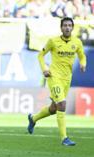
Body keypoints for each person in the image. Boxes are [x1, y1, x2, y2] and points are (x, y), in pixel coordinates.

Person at [27, 17, 87, 146]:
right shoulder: (53, 41)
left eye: (69, 25)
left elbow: (82, 55)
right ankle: (64, 138)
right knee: (62, 104)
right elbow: (40, 55)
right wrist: (44, 69)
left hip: (67, 79)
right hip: (54, 76)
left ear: (72, 27)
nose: (67, 27)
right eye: (65, 25)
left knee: (54, 108)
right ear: (61, 28)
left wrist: (83, 64)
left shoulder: (77, 42)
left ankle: (33, 118)